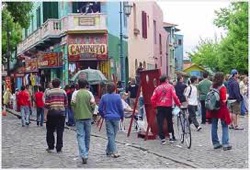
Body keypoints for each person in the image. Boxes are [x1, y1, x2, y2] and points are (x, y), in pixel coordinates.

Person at [151, 75, 181, 145]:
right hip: (168, 106)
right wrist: (178, 104)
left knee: (160, 123)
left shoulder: (157, 88)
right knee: (169, 122)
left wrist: (155, 106)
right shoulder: (171, 87)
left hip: (160, 107)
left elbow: (152, 99)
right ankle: (171, 137)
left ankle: (162, 138)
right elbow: (175, 96)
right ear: (166, 80)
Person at [71, 79, 96, 164]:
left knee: (80, 136)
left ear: (78, 85)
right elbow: (93, 104)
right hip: (88, 117)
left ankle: (83, 154)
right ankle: (86, 152)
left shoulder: (75, 93)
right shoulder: (89, 93)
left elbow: (73, 104)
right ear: (86, 85)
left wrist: (75, 112)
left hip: (78, 117)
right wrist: (91, 112)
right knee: (87, 136)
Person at [206, 72, 232, 151]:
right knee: (224, 126)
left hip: (214, 108)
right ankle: (225, 143)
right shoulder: (222, 87)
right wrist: (227, 96)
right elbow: (223, 100)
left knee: (214, 126)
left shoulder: (212, 86)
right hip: (222, 108)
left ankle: (215, 143)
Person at [98, 82, 124, 158]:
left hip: (108, 118)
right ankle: (114, 151)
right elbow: (120, 108)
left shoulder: (104, 97)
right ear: (114, 89)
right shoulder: (118, 97)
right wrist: (122, 116)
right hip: (116, 118)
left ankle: (108, 150)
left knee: (111, 135)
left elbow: (100, 109)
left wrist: (103, 115)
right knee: (112, 135)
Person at [44, 78, 68, 153]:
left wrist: (45, 115)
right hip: (61, 114)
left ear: (52, 85)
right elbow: (66, 103)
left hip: (51, 113)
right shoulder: (63, 92)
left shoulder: (49, 92)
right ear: (59, 84)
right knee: (60, 131)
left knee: (50, 130)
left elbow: (47, 105)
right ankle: (59, 147)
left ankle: (51, 146)